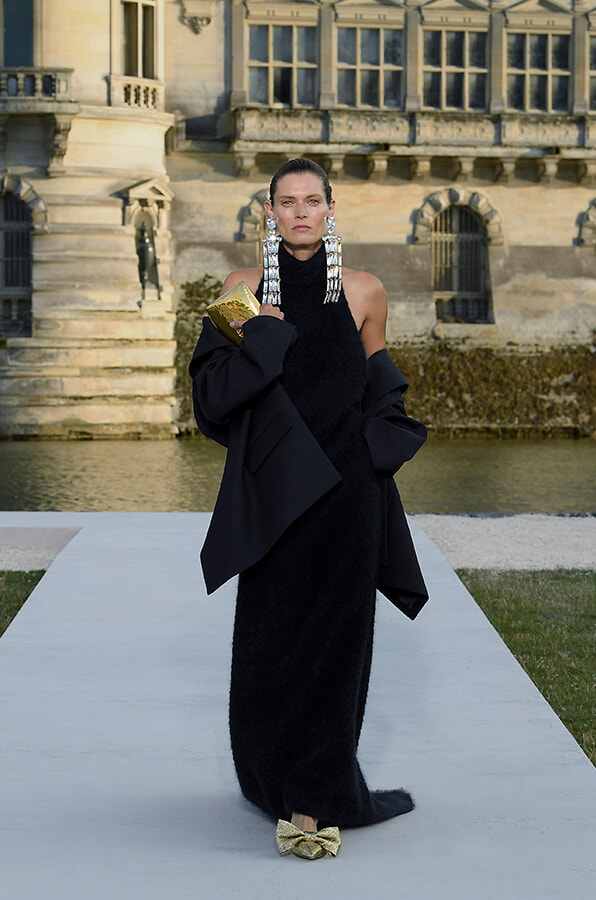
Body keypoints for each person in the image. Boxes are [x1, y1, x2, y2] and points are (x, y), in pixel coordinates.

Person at [189, 158, 428, 860]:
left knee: (337, 647)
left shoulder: (365, 291)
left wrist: (374, 453)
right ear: (268, 212)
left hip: (349, 499)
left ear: (330, 207)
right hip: (276, 498)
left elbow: (382, 387)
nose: (299, 212)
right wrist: (262, 332)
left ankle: (314, 801)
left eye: (311, 200)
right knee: (269, 646)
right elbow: (211, 397)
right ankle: (272, 777)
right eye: (286, 202)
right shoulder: (240, 290)